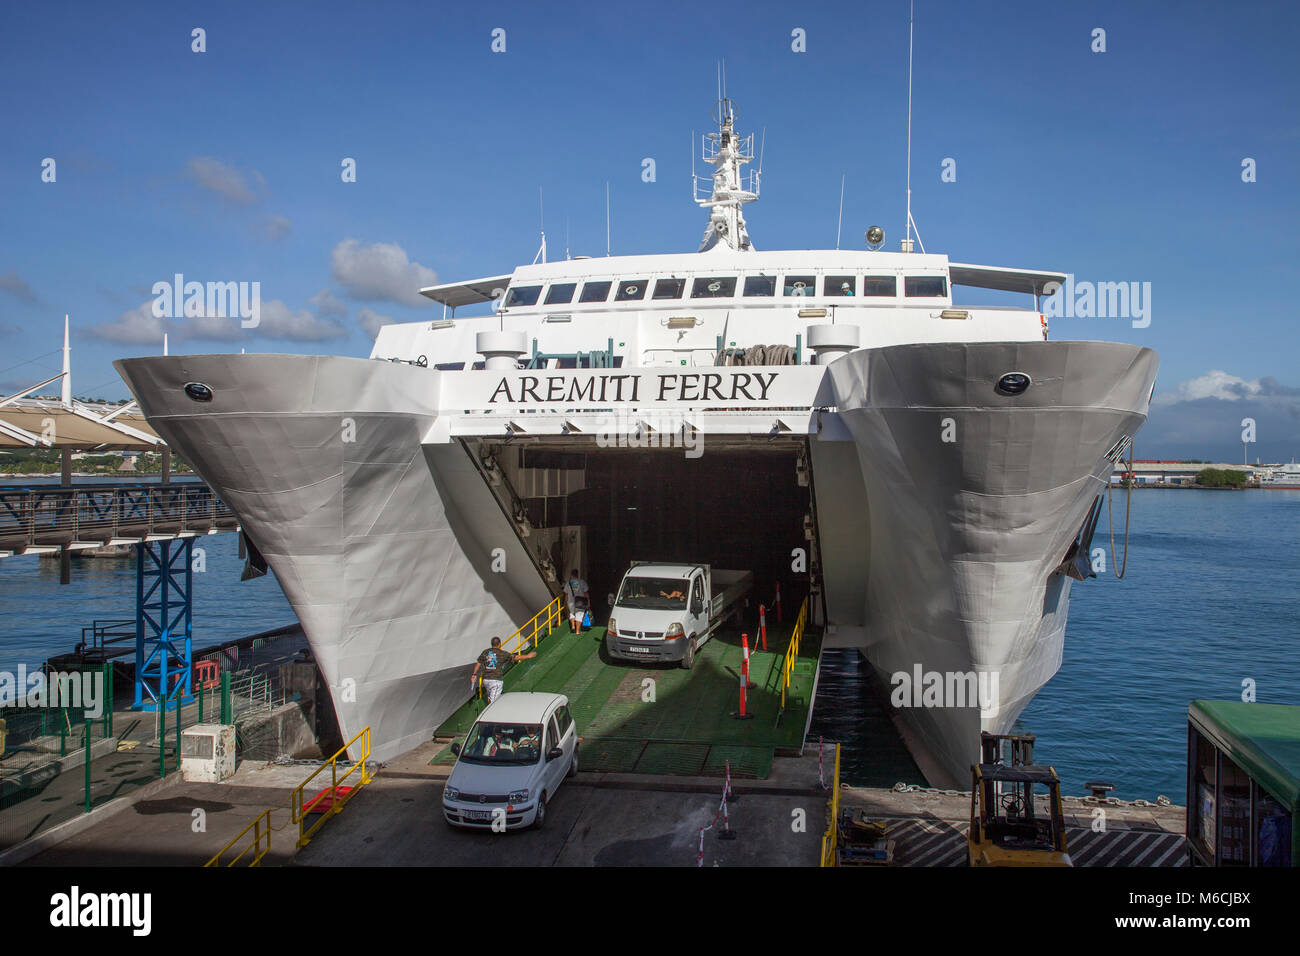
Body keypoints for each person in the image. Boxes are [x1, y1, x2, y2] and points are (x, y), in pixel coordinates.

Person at [470, 636, 534, 704]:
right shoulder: (502, 653)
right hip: (495, 680)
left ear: (492, 644)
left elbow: (478, 663)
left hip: (486, 680)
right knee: (493, 703)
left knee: (490, 698)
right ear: (500, 644)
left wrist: (474, 674)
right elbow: (515, 657)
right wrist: (527, 656)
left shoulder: (485, 652)